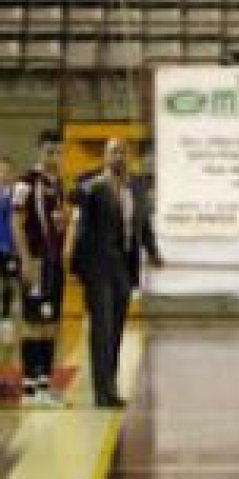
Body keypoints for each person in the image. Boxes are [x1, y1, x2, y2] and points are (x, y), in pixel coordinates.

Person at [72, 138, 163, 408]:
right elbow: (82, 231)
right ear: (104, 156)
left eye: (122, 152)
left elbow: (143, 224)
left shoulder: (135, 188)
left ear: (128, 157)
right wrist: (80, 267)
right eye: (113, 152)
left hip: (124, 266)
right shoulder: (93, 187)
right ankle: (101, 392)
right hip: (99, 267)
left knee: (117, 328)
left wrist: (154, 252)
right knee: (102, 328)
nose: (118, 157)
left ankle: (110, 386)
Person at [9, 130, 72, 407]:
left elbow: (58, 221)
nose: (54, 157)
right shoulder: (26, 182)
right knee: (34, 323)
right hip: (35, 260)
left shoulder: (57, 184)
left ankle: (45, 385)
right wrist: (25, 259)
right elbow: (15, 221)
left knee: (50, 323)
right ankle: (29, 388)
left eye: (58, 152)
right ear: (39, 151)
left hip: (53, 263)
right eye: (49, 152)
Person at [0, 154, 18, 339]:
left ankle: (6, 316)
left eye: (6, 171)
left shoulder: (15, 195)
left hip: (9, 247)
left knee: (8, 282)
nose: (3, 174)